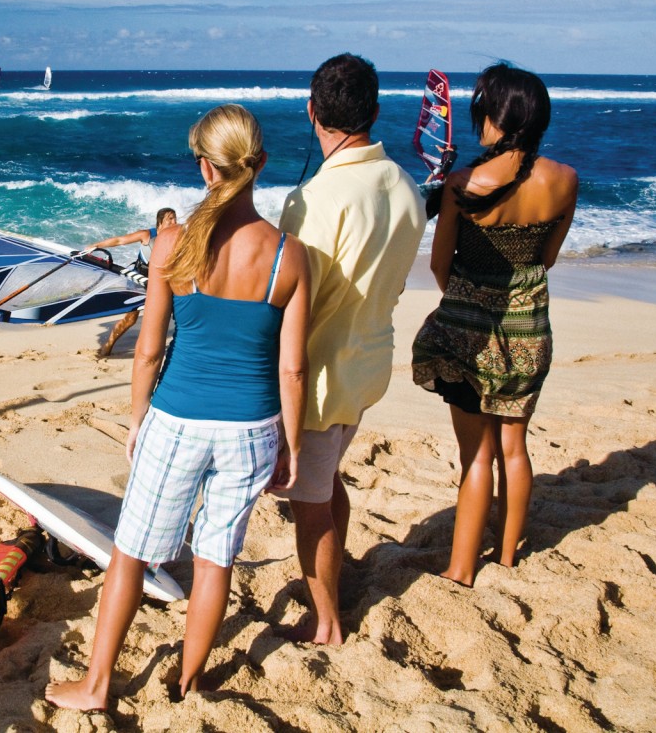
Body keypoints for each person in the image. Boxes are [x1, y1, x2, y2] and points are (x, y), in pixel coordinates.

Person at [46, 104, 310, 710]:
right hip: (252, 427)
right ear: (259, 165)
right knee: (215, 558)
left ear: (204, 168)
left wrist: (138, 421)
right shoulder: (288, 256)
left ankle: (96, 684)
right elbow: (291, 368)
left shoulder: (172, 245)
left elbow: (148, 350)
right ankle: (188, 682)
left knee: (132, 551)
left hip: (178, 419)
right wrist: (290, 447)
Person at [276, 53, 427, 644]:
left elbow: (291, 303)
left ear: (312, 111)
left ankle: (328, 622)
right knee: (327, 480)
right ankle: (332, 590)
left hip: (320, 374)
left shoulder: (316, 199)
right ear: (374, 111)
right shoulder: (406, 187)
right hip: (369, 362)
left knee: (308, 505)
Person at [411, 63, 578, 587]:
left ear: (495, 116)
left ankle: (461, 569)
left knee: (476, 454)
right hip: (530, 328)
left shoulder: (464, 184)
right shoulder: (565, 180)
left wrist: (464, 299)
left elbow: (440, 264)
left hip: (468, 328)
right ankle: (506, 555)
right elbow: (545, 259)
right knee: (514, 445)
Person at [86, 207, 178, 357]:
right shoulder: (146, 235)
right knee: (131, 318)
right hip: (138, 280)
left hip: (158, 282)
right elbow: (120, 240)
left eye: (175, 218)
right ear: (160, 223)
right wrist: (96, 245)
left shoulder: (176, 237)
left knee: (163, 316)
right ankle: (108, 345)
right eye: (170, 219)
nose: (175, 222)